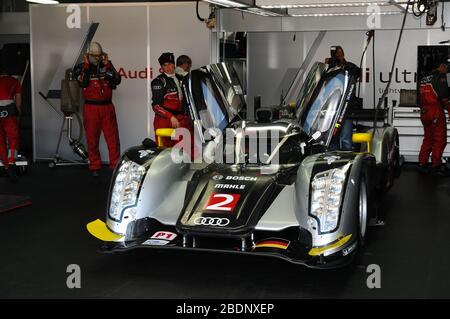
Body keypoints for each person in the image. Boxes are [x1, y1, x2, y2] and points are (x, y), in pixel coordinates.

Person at [74, 42, 121, 177]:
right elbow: (82, 82)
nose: (97, 58)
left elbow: (117, 80)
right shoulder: (81, 67)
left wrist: (106, 65)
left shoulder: (107, 65)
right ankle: (95, 166)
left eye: (99, 55)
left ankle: (115, 166)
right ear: (88, 55)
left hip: (107, 107)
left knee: (112, 139)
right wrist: (87, 66)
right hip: (91, 108)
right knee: (92, 139)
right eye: (94, 55)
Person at [151, 52, 191, 147]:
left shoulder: (182, 78)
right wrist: (171, 117)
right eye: (165, 65)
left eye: (170, 64)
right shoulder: (158, 81)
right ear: (162, 67)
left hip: (180, 119)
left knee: (183, 151)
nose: (168, 67)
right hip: (164, 120)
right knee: (165, 153)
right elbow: (155, 106)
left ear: (174, 64)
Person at [417, 62, 450, 176]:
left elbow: (419, 98)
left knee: (428, 139)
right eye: (447, 68)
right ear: (442, 66)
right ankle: (436, 166)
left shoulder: (423, 78)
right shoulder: (440, 77)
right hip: (435, 111)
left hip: (424, 112)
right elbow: (444, 98)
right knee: (439, 140)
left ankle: (422, 164)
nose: (447, 71)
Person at [326, 46, 360, 151]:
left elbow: (358, 73)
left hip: (346, 109)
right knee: (332, 141)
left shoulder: (350, 67)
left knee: (346, 141)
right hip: (333, 109)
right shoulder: (330, 68)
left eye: (341, 54)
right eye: (337, 54)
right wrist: (328, 65)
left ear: (343, 54)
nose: (339, 56)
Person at [0, 64, 22, 182]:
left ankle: (6, 166)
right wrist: (18, 113)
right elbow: (18, 102)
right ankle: (12, 161)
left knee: (0, 141)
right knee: (13, 139)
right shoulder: (14, 81)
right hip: (10, 112)